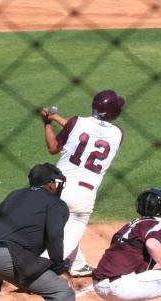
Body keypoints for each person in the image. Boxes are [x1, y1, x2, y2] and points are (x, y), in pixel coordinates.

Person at [40, 90, 126, 277]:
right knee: (71, 233)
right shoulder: (118, 134)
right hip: (83, 194)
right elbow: (87, 135)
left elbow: (53, 147)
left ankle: (77, 264)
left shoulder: (76, 122)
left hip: (55, 186)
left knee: (60, 225)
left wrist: (48, 123)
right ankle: (39, 268)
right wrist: (57, 118)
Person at [0, 163, 74, 301]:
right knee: (62, 292)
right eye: (58, 183)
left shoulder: (15, 194)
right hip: (7, 257)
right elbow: (54, 236)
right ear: (51, 184)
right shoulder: (56, 204)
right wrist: (59, 269)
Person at [92, 188, 161, 301]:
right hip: (121, 286)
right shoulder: (158, 224)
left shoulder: (131, 225)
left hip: (99, 284)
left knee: (139, 277)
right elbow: (152, 244)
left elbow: (114, 245)